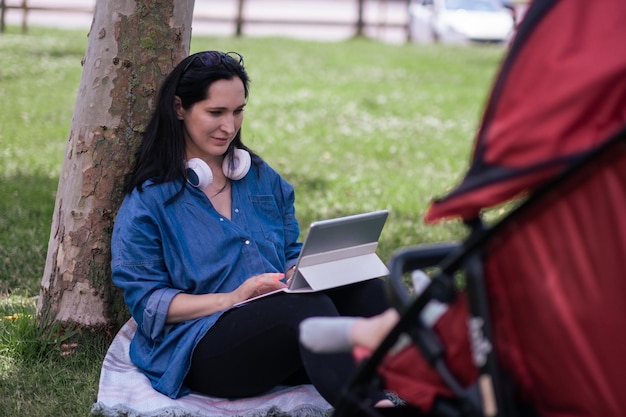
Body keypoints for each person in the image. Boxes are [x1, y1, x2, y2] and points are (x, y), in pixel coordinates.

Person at [110, 50, 393, 408]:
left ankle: (431, 376)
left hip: (278, 333)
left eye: (238, 111)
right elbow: (147, 303)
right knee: (306, 309)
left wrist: (298, 268)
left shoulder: (260, 177)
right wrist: (233, 298)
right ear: (180, 108)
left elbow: (290, 247)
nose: (229, 127)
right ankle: (370, 404)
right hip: (204, 345)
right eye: (216, 112)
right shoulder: (149, 202)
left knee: (369, 291)